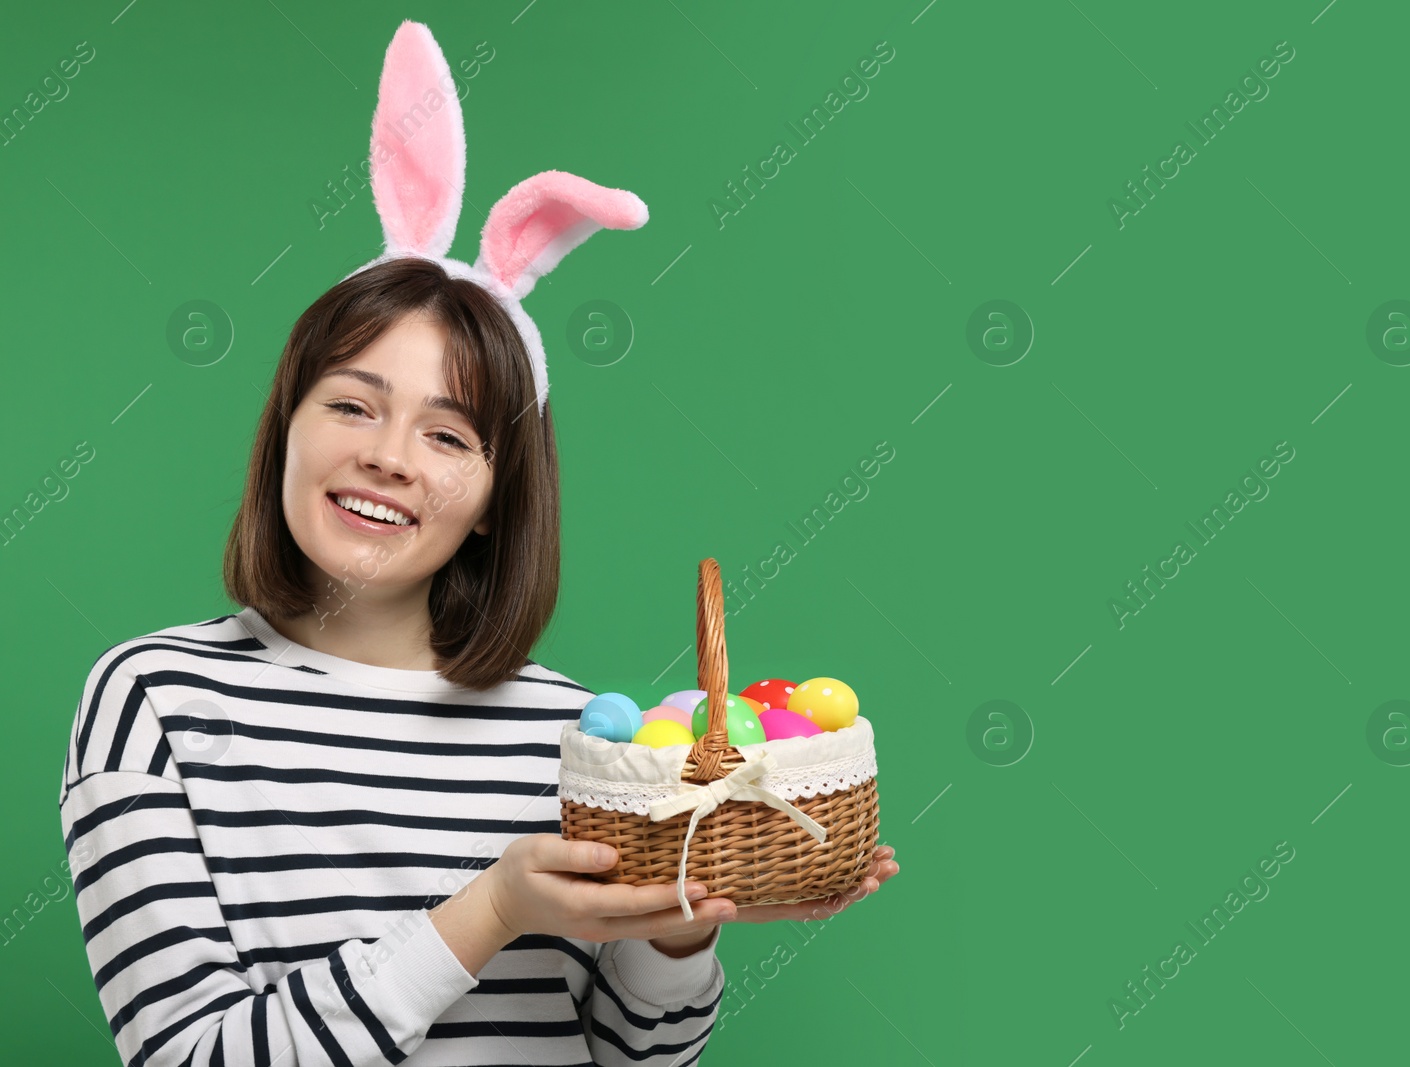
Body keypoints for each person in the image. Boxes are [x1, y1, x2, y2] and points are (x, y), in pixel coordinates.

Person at [58, 255, 900, 1066]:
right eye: (352, 406)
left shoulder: (574, 735)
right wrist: (492, 910)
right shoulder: (154, 700)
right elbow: (188, 1053)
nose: (390, 457)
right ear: (286, 426)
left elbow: (641, 1056)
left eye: (449, 435)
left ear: (497, 503)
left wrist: (679, 922)